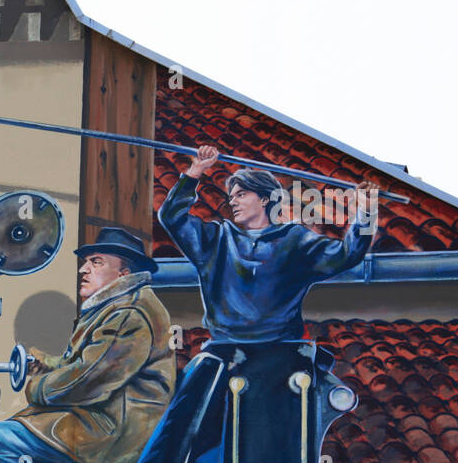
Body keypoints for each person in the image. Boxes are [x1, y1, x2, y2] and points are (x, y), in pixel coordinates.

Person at [0, 226, 175, 463]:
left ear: (123, 270)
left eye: (96, 262)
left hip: (115, 437)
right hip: (112, 424)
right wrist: (43, 362)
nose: (84, 269)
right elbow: (87, 363)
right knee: (26, 429)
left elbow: (85, 383)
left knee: (1, 438)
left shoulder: (128, 314)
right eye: (86, 262)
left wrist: (36, 386)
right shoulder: (121, 306)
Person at [157, 144, 381, 343]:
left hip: (282, 349)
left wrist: (367, 211)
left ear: (265, 199)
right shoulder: (216, 239)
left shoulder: (295, 240)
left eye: (241, 195)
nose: (232, 202)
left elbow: (348, 253)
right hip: (225, 348)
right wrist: (196, 170)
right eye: (232, 197)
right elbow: (171, 217)